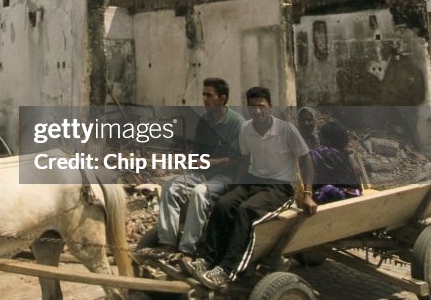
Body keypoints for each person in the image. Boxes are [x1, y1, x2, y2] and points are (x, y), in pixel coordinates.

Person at [181, 86, 317, 288]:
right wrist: (235, 185)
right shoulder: (246, 129)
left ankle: (227, 270)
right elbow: (245, 160)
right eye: (252, 107)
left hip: (279, 188)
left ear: (270, 106)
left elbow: (306, 161)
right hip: (252, 180)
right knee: (223, 204)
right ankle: (208, 260)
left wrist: (307, 194)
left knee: (246, 212)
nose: (257, 112)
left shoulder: (286, 130)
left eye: (261, 106)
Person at [150, 77, 245, 263]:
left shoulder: (236, 123)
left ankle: (188, 250)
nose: (204, 99)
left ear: (222, 98)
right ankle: (167, 243)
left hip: (224, 178)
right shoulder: (205, 121)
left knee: (200, 193)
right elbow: (197, 151)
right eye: (203, 95)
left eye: (209, 95)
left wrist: (209, 163)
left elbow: (237, 160)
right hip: (202, 174)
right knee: (170, 185)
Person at [310, 119, 362, 204]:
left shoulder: (322, 153)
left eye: (321, 137)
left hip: (337, 199)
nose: (319, 140)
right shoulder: (344, 154)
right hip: (355, 195)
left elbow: (303, 157)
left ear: (328, 140)